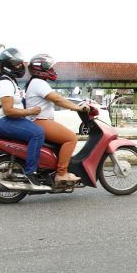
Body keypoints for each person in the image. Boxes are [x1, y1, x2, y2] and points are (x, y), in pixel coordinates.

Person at [0, 47, 50, 189]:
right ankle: (30, 173)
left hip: (8, 120)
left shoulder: (10, 81)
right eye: (17, 64)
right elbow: (8, 110)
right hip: (2, 121)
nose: (21, 66)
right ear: (8, 66)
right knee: (37, 133)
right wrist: (30, 111)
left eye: (20, 63)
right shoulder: (4, 83)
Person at [24, 53, 89, 185]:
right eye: (48, 67)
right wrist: (78, 107)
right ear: (39, 68)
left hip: (40, 120)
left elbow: (56, 98)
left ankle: (55, 169)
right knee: (71, 138)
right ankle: (61, 173)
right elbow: (57, 99)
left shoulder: (36, 82)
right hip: (40, 121)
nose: (51, 70)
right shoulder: (38, 82)